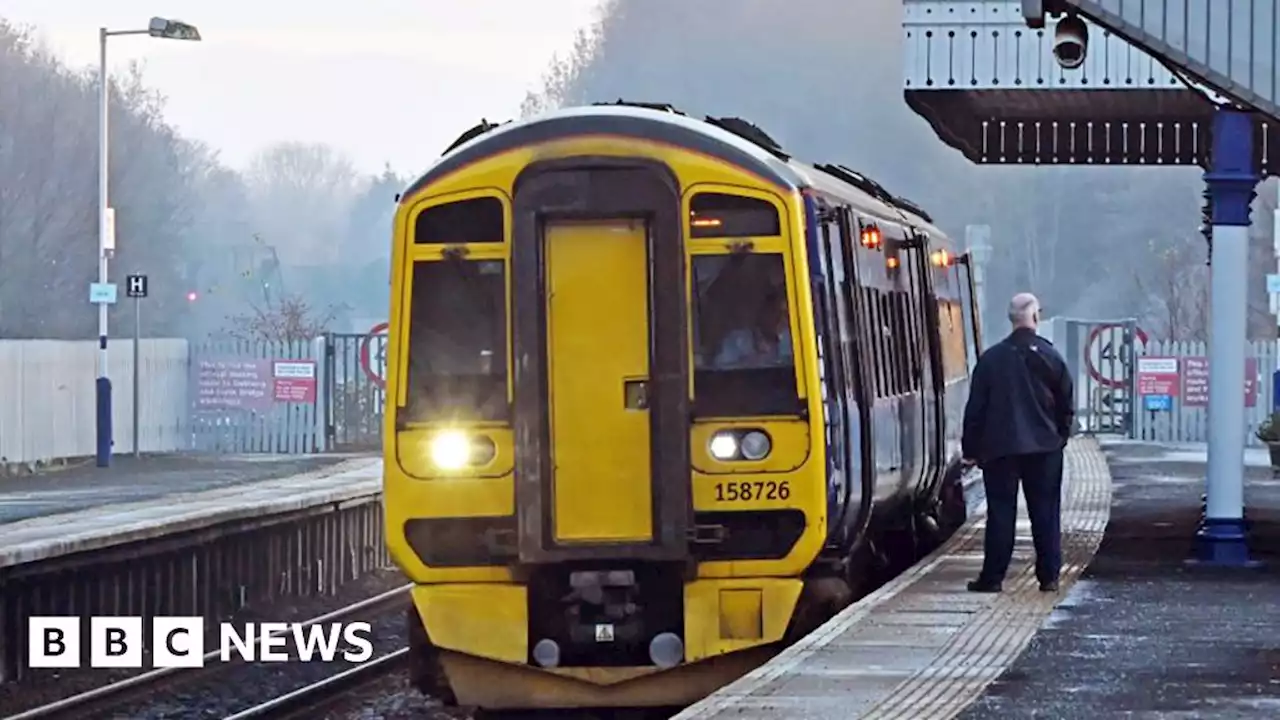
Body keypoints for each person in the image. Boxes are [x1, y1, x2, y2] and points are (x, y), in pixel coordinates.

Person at [961, 292, 1074, 594]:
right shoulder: (1051, 357)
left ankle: (993, 578)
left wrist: (971, 450)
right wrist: (1060, 437)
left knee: (1000, 513)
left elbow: (975, 409)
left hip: (999, 449)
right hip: (1044, 449)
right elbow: (1066, 403)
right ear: (1035, 317)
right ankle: (1049, 577)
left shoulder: (991, 360)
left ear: (1011, 319)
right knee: (1046, 512)